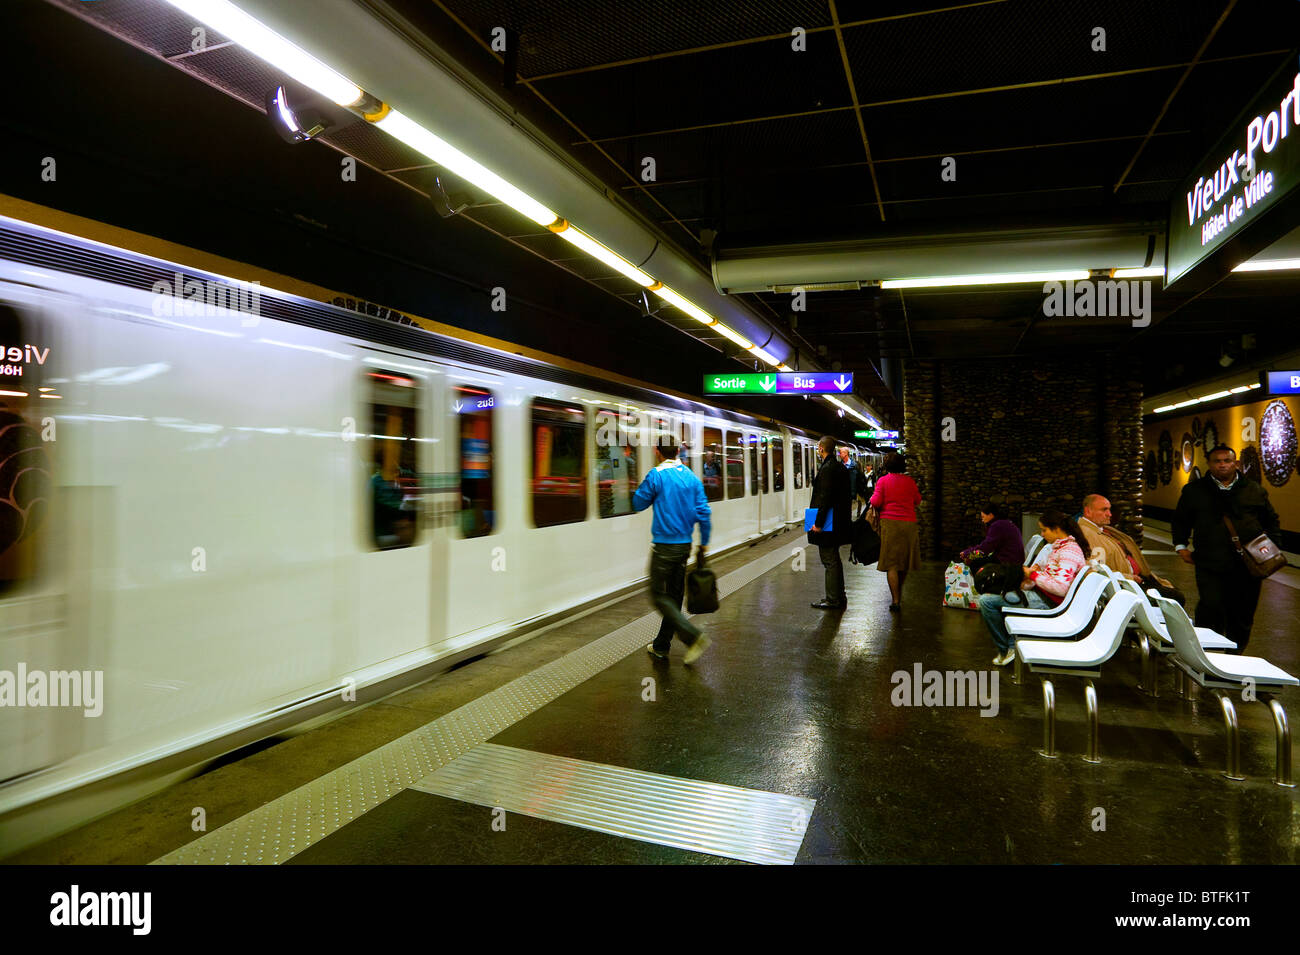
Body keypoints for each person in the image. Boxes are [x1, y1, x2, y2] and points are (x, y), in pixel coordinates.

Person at [1172, 444, 1281, 653]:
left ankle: (1235, 655)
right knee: (1210, 607)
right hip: (1209, 561)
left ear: (1235, 464)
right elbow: (1181, 520)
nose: (1222, 465)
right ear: (1210, 464)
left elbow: (1271, 520)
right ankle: (1208, 654)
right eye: (1217, 461)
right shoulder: (1195, 490)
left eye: (1227, 461)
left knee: (1242, 613)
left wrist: (1273, 548)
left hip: (1247, 565)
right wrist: (1181, 545)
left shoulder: (1253, 489)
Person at [633, 439, 714, 664]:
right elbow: (704, 513)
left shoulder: (656, 475)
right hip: (685, 546)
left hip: (664, 548)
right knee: (674, 597)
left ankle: (693, 636)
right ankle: (661, 645)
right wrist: (704, 543)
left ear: (656, 452)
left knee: (658, 596)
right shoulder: (691, 477)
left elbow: (638, 503)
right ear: (678, 451)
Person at [979, 509, 1087, 666]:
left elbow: (1061, 587)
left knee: (986, 601)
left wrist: (1032, 575)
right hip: (1043, 596)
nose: (1042, 534)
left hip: (1048, 603)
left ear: (1057, 529)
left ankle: (1007, 649)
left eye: (1044, 530)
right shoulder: (1062, 547)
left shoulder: (1069, 552)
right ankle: (1011, 646)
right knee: (995, 594)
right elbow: (1051, 578)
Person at [1078, 494, 1185, 603]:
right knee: (1176, 598)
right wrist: (1129, 577)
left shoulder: (1102, 530)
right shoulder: (1087, 534)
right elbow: (1096, 570)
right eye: (1104, 510)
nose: (1109, 514)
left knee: (1174, 592)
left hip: (1138, 580)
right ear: (1088, 511)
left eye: (1109, 510)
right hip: (1127, 587)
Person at [869, 451, 922, 611]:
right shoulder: (910, 481)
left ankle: (896, 600)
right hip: (908, 524)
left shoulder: (883, 481)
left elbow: (876, 501)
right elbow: (917, 500)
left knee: (892, 563)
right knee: (903, 562)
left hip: (890, 524)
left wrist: (872, 498)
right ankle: (899, 593)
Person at [809, 435, 852, 610]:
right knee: (834, 559)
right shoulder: (839, 467)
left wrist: (818, 523)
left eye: (818, 447)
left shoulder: (827, 469)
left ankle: (832, 599)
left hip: (828, 521)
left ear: (821, 448)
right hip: (838, 519)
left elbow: (824, 497)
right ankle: (840, 596)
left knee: (829, 560)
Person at [960, 502, 1024, 566]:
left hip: (1008, 561)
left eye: (983, 517)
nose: (982, 520)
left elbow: (985, 549)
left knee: (974, 563)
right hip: (1013, 558)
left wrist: (968, 554)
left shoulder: (997, 525)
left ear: (990, 515)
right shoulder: (1004, 523)